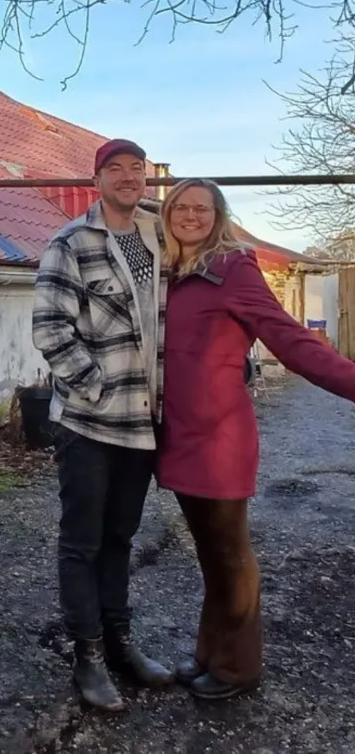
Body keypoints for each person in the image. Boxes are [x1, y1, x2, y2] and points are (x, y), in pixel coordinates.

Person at [157, 179, 355, 700]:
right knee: (208, 553)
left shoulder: (234, 268)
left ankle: (238, 669)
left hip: (220, 437)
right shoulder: (171, 273)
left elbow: (289, 341)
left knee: (230, 553)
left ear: (219, 216)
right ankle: (209, 654)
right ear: (168, 214)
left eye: (203, 208)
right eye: (181, 207)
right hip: (179, 434)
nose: (191, 216)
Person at [32, 138, 174, 711]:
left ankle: (119, 643)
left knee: (121, 537)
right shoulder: (70, 242)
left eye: (137, 170)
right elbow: (49, 329)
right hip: (89, 423)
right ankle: (87, 657)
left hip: (143, 424)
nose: (128, 177)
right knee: (83, 542)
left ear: (147, 179)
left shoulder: (160, 237)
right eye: (115, 169)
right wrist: (97, 387)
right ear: (97, 181)